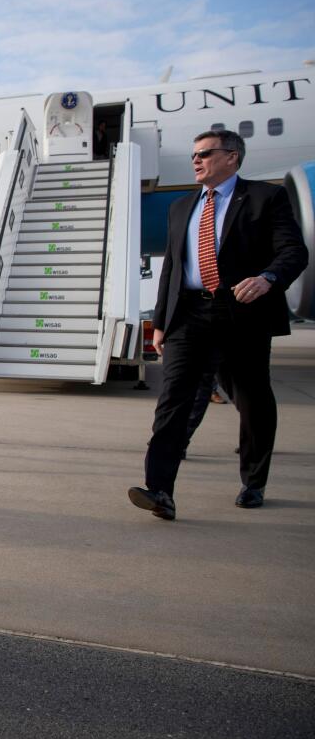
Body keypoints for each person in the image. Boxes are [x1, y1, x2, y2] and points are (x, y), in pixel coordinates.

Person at [129, 130, 307, 520]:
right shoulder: (181, 208)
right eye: (195, 154)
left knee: (252, 399)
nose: (196, 161)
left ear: (232, 157)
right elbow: (172, 270)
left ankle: (253, 482)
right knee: (172, 400)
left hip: (243, 312)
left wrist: (268, 278)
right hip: (189, 315)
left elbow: (294, 251)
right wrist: (160, 323)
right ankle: (160, 490)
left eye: (205, 154)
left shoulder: (265, 197)